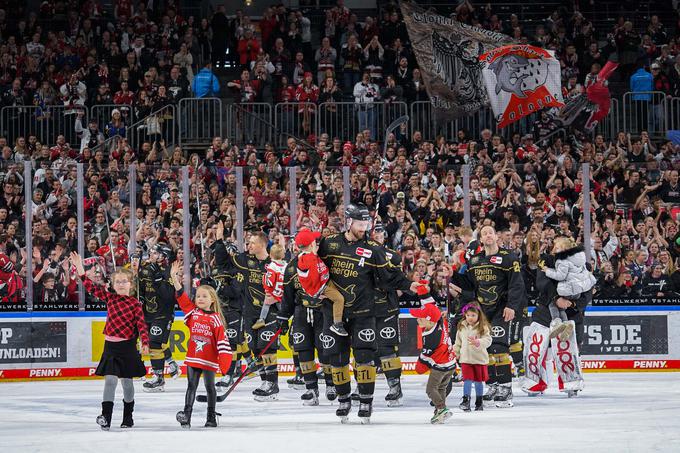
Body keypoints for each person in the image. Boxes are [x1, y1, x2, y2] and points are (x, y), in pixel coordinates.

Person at [315, 203, 423, 423]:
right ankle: (344, 399)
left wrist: (407, 284)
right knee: (337, 358)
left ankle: (366, 401)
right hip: (333, 311)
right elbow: (315, 270)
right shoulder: (328, 243)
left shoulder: (374, 248)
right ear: (348, 222)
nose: (364, 228)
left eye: (367, 223)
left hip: (363, 312)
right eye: (360, 224)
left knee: (364, 356)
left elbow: (387, 276)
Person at [69, 252, 149, 431]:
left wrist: (144, 342)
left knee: (127, 383)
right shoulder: (110, 298)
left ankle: (128, 416)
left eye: (124, 281)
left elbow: (142, 325)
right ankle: (106, 416)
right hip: (111, 348)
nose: (121, 284)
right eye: (117, 281)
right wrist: (80, 268)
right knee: (110, 381)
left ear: (131, 284)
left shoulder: (135, 304)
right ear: (113, 284)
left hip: (127, 348)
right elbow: (89, 286)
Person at [450, 225, 527, 408]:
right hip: (483, 312)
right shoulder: (475, 260)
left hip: (502, 309)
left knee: (499, 347)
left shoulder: (509, 257)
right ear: (481, 239)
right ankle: (492, 385)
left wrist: (511, 306)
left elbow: (517, 285)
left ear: (496, 236)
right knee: (486, 350)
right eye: (484, 233)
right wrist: (452, 274)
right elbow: (468, 286)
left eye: (490, 232)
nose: (488, 235)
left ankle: (506, 389)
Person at [214, 223, 278, 401]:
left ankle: (272, 384)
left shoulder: (274, 263)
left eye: (252, 243)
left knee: (268, 348)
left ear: (262, 245)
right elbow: (223, 262)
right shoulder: (245, 260)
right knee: (256, 349)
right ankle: (266, 383)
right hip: (249, 313)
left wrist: (281, 307)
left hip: (269, 313)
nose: (248, 245)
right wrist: (220, 240)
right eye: (248, 243)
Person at [170, 262, 232, 428]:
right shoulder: (193, 313)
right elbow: (182, 297)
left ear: (212, 300)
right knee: (191, 386)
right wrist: (174, 278)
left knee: (209, 387)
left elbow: (223, 343)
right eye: (198, 296)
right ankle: (186, 415)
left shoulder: (216, 319)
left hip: (208, 360)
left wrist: (225, 364)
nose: (201, 299)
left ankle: (211, 417)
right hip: (193, 358)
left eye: (204, 296)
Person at [138, 243, 181, 392]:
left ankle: (158, 378)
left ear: (164, 256)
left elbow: (169, 296)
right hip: (147, 313)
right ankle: (171, 365)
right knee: (154, 343)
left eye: (156, 253)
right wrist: (140, 301)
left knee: (155, 342)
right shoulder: (144, 270)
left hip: (164, 313)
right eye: (152, 252)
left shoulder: (169, 271)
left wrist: (158, 278)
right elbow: (141, 290)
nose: (152, 255)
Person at [371, 222, 405, 406]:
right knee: (364, 349)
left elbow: (399, 283)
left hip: (387, 309)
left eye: (380, 234)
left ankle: (395, 387)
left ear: (385, 236)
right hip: (365, 309)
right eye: (374, 234)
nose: (377, 237)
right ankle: (362, 386)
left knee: (386, 349)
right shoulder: (362, 255)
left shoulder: (393, 256)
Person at [410, 296, 455, 424]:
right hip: (451, 364)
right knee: (441, 388)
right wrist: (423, 292)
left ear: (429, 321)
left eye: (420, 318)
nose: (417, 319)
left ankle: (441, 409)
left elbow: (425, 357)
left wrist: (419, 367)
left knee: (430, 389)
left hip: (441, 367)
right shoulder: (439, 320)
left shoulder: (430, 337)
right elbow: (431, 305)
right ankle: (439, 412)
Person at [295, 227, 347, 336]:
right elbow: (312, 278)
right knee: (339, 299)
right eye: (314, 240)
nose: (316, 242)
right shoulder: (307, 259)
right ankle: (337, 324)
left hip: (325, 281)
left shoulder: (309, 256)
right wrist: (316, 293)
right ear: (311, 244)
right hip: (321, 287)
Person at [542, 237, 596, 340]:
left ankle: (557, 322)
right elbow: (542, 284)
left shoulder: (562, 261)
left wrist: (547, 271)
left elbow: (560, 276)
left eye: (557, 247)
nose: (554, 249)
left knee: (554, 305)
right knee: (560, 306)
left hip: (570, 300)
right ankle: (566, 324)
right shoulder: (581, 263)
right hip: (575, 294)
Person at [453, 302, 491, 412]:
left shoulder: (483, 327)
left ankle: (479, 402)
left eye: (473, 315)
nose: (470, 318)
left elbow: (488, 340)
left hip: (479, 359)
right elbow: (458, 343)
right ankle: (466, 401)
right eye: (468, 315)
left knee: (478, 381)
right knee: (467, 380)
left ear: (479, 315)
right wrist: (456, 353)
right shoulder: (461, 326)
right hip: (465, 359)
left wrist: (478, 342)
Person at [253, 243, 287, 330]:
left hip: (272, 291)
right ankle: (286, 318)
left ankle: (261, 319)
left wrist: (264, 279)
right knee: (281, 305)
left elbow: (269, 282)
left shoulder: (272, 266)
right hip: (282, 292)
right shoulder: (286, 265)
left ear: (271, 255)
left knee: (266, 304)